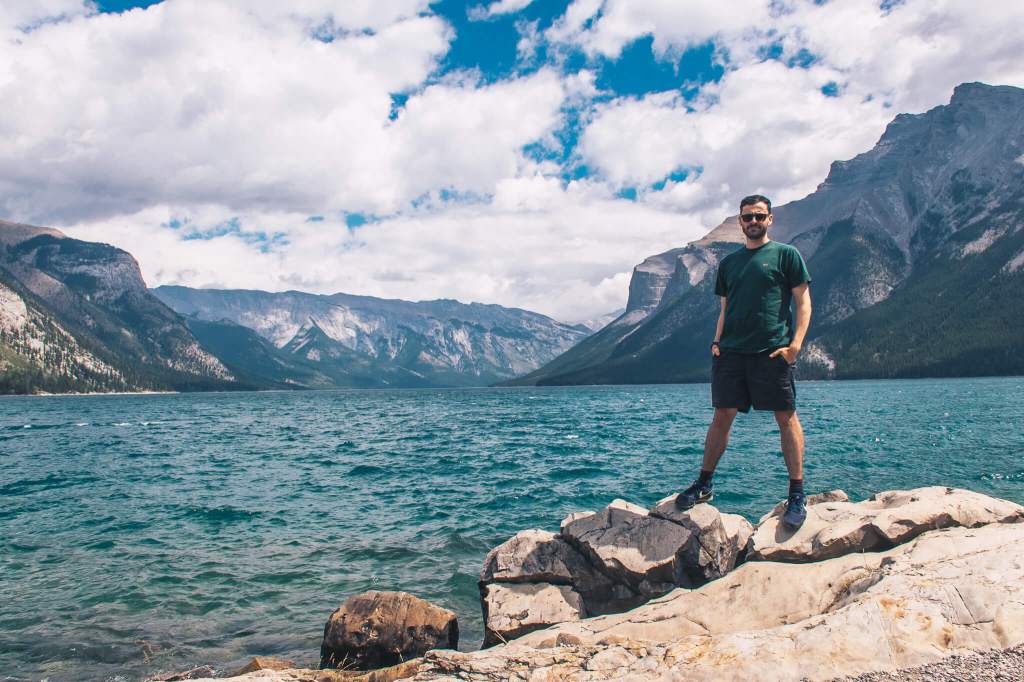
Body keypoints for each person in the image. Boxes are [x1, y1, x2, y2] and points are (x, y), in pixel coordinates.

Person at [675, 194, 812, 527]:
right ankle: (704, 483)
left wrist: (795, 345)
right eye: (748, 217)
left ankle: (796, 492)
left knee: (786, 417)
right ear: (740, 220)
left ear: (770, 219)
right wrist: (716, 342)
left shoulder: (787, 255)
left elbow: (803, 303)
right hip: (731, 353)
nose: (753, 222)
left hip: (772, 352)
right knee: (722, 416)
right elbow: (725, 310)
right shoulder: (729, 264)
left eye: (759, 216)